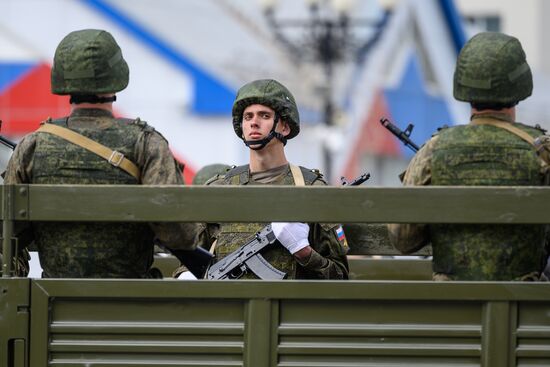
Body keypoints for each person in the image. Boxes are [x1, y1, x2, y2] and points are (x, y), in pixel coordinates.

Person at [3, 29, 198, 278]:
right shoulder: (146, 143)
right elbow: (181, 234)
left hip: (51, 302)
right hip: (132, 302)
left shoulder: (31, 146)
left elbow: (10, 232)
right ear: (116, 77)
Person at [388, 32, 549, 281]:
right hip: (526, 308)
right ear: (520, 85)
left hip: (452, 308)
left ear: (462, 85)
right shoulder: (543, 152)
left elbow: (403, 240)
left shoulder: (434, 150)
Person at [192, 79, 349, 280]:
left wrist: (303, 251)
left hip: (289, 308)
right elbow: (190, 257)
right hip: (226, 307)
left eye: (264, 116)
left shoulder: (311, 190)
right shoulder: (219, 188)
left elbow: (340, 276)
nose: (253, 122)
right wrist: (186, 274)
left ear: (285, 127)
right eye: (248, 116)